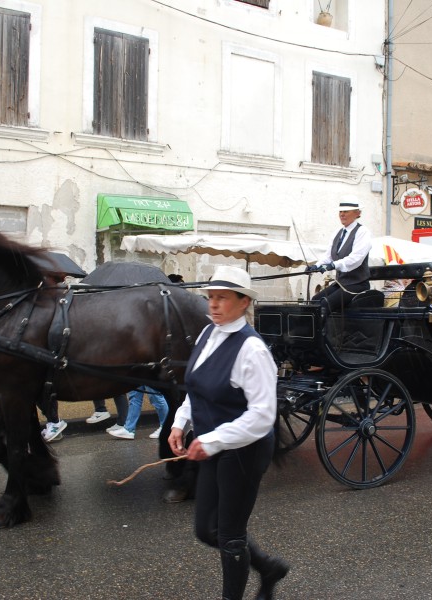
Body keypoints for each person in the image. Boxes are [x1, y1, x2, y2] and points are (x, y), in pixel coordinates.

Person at [169, 265, 288, 600]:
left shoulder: (252, 350)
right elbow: (198, 387)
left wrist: (212, 440)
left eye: (222, 298)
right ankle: (269, 567)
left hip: (245, 451)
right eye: (210, 297)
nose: (214, 304)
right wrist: (182, 422)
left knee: (230, 535)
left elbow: (263, 416)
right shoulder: (208, 333)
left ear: (243, 303)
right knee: (208, 530)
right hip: (213, 446)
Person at [306, 196, 372, 311]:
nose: (342, 214)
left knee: (325, 305)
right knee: (315, 300)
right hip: (340, 283)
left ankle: (323, 329)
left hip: (357, 285)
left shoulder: (363, 232)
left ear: (357, 213)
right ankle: (312, 328)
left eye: (346, 211)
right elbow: (328, 256)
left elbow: (356, 258)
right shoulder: (338, 233)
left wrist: (333, 265)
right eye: (340, 211)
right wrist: (316, 266)